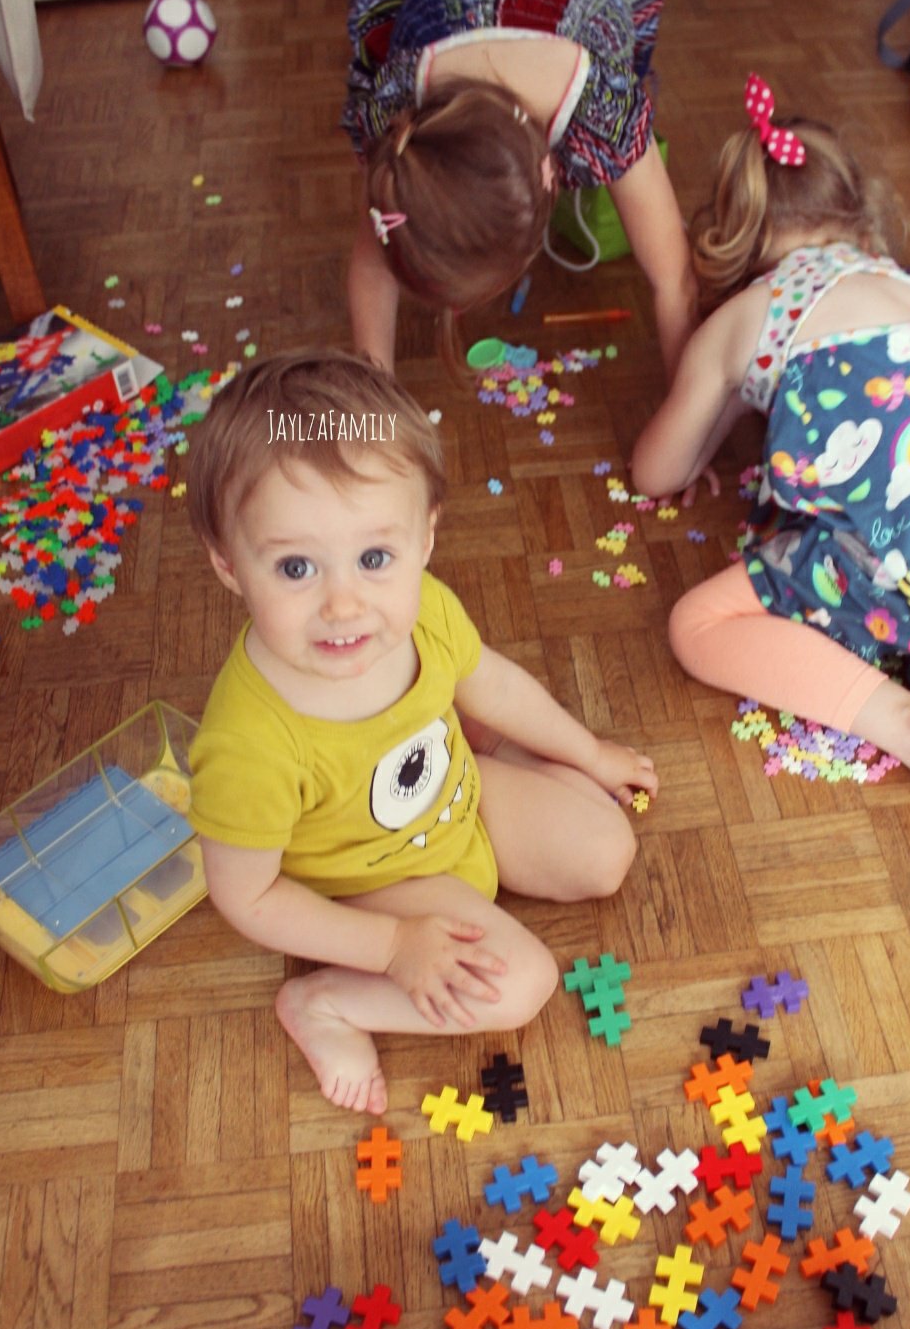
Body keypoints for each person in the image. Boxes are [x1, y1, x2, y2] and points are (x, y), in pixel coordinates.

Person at [186, 349, 656, 1115]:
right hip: (373, 883)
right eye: (296, 569)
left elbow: (493, 684)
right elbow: (248, 897)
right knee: (524, 982)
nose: (344, 604)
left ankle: (493, 757)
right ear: (229, 566)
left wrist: (589, 752)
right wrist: (393, 947)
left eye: (375, 557)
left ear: (425, 538)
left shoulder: (424, 607)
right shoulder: (249, 744)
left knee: (608, 849)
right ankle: (327, 1004)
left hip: (459, 799)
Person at [632, 75, 910, 849]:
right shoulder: (897, 279)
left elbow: (655, 472)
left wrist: (713, 386)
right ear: (856, 220)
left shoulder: (745, 316)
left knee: (695, 624)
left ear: (732, 241)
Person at [343, 0, 696, 377]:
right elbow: (373, 265)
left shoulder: (606, 112)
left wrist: (691, 398)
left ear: (552, 178)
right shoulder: (399, 122)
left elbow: (675, 280)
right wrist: (376, 396)